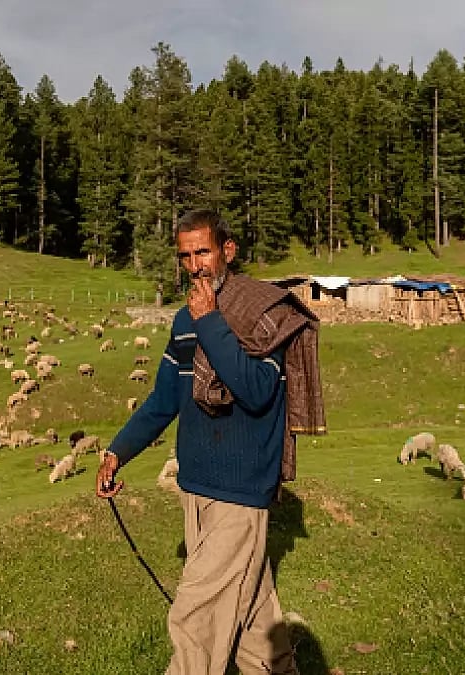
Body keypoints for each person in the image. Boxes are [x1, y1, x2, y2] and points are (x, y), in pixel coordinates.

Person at [97, 209, 325, 675]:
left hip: (241, 493)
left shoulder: (262, 313)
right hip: (196, 486)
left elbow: (258, 391)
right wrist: (117, 452)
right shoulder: (184, 320)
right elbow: (163, 401)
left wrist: (212, 324)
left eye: (203, 251)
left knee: (194, 621)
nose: (195, 264)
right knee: (258, 628)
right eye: (185, 256)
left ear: (228, 250)